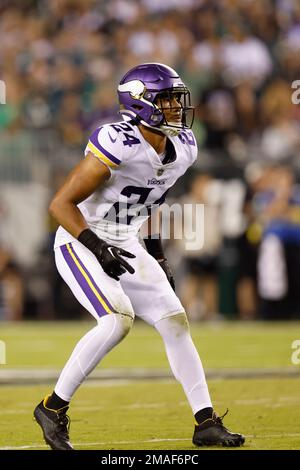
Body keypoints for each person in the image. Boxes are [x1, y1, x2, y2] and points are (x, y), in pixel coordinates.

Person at [33, 63, 245, 450]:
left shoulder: (182, 147)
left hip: (127, 240)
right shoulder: (118, 143)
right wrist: (98, 248)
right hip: (82, 240)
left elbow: (151, 201)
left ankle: (206, 422)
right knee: (116, 320)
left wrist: (158, 253)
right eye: (165, 99)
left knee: (175, 321)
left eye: (176, 98)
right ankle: (52, 408)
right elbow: (60, 204)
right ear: (139, 102)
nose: (176, 107)